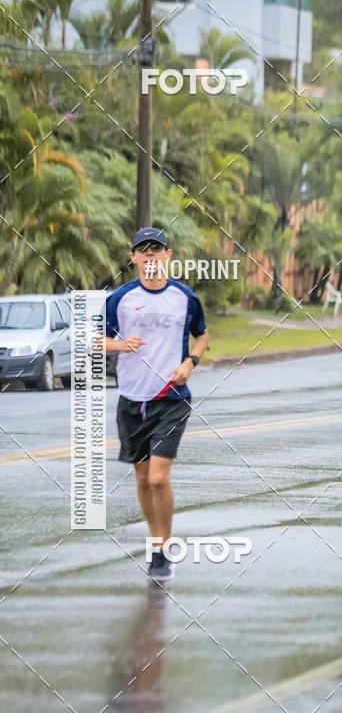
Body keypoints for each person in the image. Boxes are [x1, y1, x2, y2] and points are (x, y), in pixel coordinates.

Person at [104, 227, 209, 581]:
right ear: (133, 257)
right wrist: (119, 346)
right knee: (142, 478)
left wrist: (189, 363)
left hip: (171, 398)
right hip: (132, 399)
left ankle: (162, 550)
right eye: (142, 250)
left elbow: (202, 334)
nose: (150, 255)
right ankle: (156, 541)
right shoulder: (119, 299)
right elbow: (94, 339)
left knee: (159, 477)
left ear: (168, 255)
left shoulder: (184, 297)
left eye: (156, 248)